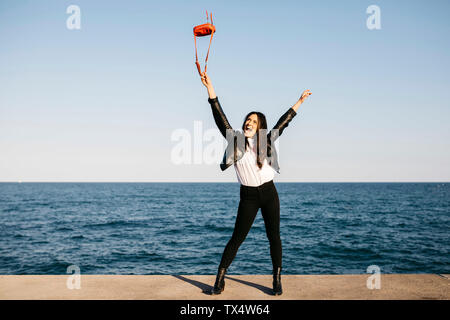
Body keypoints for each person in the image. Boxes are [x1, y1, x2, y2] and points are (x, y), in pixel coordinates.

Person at [200, 72, 311, 296]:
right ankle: (220, 278)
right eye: (247, 120)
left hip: (269, 193)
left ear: (259, 126)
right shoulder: (235, 140)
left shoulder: (267, 141)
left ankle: (277, 279)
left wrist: (299, 101)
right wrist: (210, 88)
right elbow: (218, 115)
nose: (249, 122)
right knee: (237, 238)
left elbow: (284, 122)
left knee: (274, 237)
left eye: (253, 121)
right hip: (248, 196)